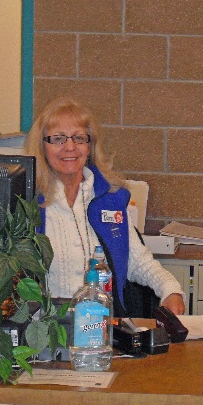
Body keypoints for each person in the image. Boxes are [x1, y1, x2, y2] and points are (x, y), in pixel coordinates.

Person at [24, 96, 185, 317]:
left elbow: (137, 262)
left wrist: (170, 289)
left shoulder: (109, 199)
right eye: (58, 138)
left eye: (79, 138)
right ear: (42, 146)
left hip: (103, 329)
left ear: (90, 146)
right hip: (45, 333)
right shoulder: (27, 204)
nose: (70, 147)